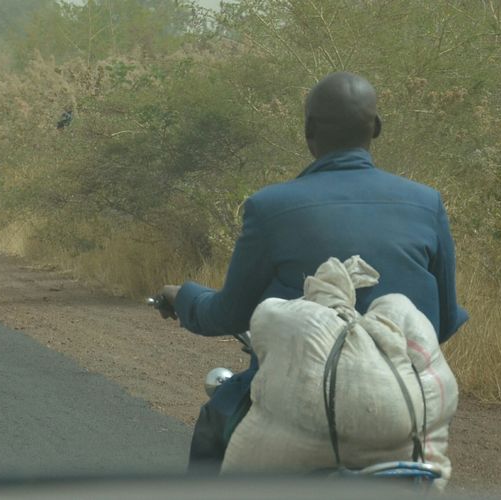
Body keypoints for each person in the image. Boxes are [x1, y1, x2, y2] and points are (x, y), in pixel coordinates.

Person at [155, 72, 469, 474]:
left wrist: (183, 295)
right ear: (376, 128)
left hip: (299, 404)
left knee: (215, 421)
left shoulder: (270, 207)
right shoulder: (427, 203)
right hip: (404, 410)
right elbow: (443, 321)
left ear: (308, 130)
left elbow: (227, 315)